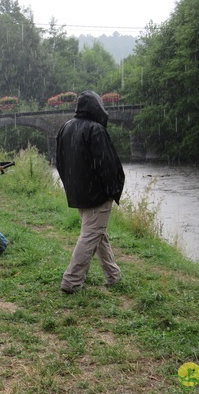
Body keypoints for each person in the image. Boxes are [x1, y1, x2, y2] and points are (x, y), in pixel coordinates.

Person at [56, 91, 125, 294]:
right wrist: (113, 190)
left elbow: (60, 163)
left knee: (97, 233)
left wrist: (71, 185)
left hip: (79, 193)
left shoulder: (65, 128)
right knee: (90, 236)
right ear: (96, 107)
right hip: (97, 194)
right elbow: (108, 164)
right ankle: (71, 281)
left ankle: (113, 275)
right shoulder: (95, 130)